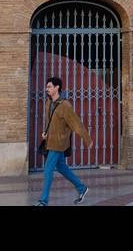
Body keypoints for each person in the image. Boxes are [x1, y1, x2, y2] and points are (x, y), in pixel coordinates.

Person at [35, 76, 93, 206]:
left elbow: (76, 123)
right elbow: (48, 121)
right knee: (61, 167)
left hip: (59, 142)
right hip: (50, 140)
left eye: (49, 86)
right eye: (47, 87)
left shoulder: (65, 105)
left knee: (48, 169)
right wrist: (45, 131)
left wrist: (87, 139)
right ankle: (82, 188)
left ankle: (43, 201)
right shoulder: (48, 103)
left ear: (57, 88)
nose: (47, 89)